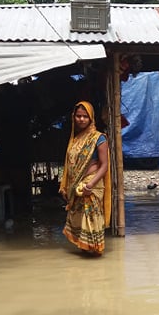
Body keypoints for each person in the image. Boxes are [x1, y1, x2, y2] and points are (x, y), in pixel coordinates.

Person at [59, 101, 111, 255]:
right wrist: (67, 185)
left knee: (91, 217)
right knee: (80, 218)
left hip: (92, 182)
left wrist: (91, 184)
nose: (81, 119)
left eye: (85, 116)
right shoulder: (75, 139)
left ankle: (95, 251)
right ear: (73, 117)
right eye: (78, 116)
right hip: (78, 185)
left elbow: (104, 165)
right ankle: (85, 251)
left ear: (91, 118)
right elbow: (70, 164)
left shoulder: (99, 138)